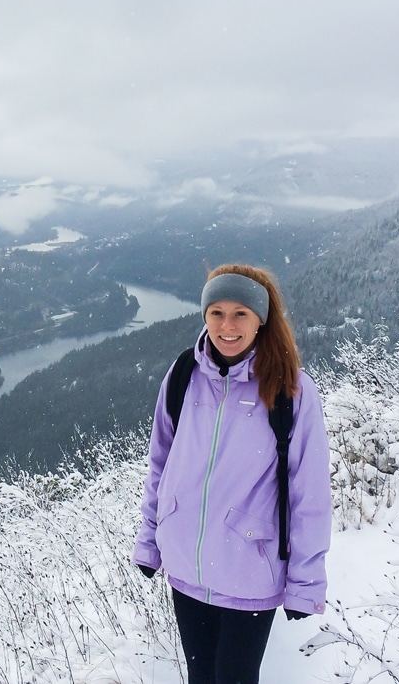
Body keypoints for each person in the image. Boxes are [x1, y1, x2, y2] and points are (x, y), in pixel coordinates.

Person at [133, 264, 331, 684]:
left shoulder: (290, 389)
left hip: (249, 573)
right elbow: (161, 464)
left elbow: (309, 495)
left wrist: (305, 583)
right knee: (200, 676)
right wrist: (150, 542)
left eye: (241, 313)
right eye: (216, 312)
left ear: (261, 320)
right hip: (186, 567)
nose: (227, 325)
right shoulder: (184, 375)